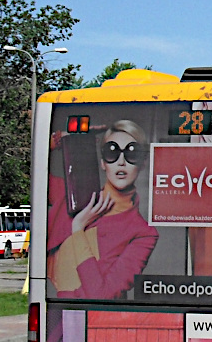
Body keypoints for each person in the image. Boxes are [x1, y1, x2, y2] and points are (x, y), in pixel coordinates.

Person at [47, 120, 159, 299]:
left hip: (101, 323)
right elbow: (32, 174)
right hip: (56, 317)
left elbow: (101, 294)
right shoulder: (70, 197)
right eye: (112, 152)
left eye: (132, 154)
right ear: (102, 163)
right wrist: (67, 139)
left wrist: (78, 229)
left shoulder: (143, 233)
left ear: (143, 163)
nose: (121, 162)